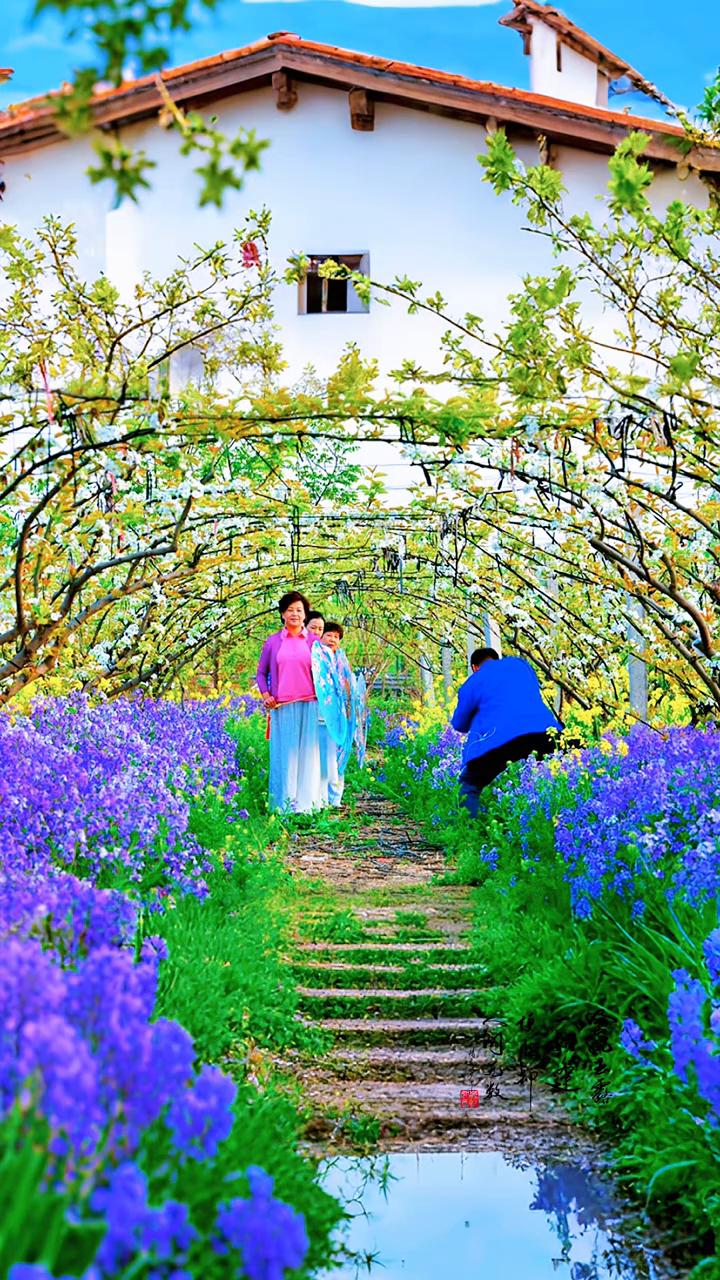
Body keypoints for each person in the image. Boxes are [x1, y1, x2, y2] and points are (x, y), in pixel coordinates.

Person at [451, 648, 562, 818]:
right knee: (552, 778)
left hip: (500, 740)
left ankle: (470, 828)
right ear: (497, 659)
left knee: (469, 783)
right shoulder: (520, 665)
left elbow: (459, 723)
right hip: (544, 733)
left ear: (474, 667)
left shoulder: (473, 681)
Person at [256, 591, 325, 813]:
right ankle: (284, 807)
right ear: (282, 614)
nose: (295, 614)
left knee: (308, 756)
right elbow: (261, 673)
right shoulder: (273, 642)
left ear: (305, 615)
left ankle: (307, 807)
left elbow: (325, 673)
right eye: (290, 610)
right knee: (285, 756)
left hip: (310, 704)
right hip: (282, 706)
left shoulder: (314, 642)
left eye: (299, 610)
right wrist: (266, 695)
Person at [319, 621, 351, 806]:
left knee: (338, 753)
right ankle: (321, 798)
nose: (332, 639)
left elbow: (348, 685)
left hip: (339, 713)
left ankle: (335, 798)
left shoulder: (341, 659)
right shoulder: (316, 659)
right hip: (320, 713)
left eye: (336, 637)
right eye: (329, 635)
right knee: (321, 755)